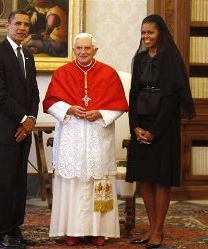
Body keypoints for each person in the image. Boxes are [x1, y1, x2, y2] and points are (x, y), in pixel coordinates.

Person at [43, 32, 129, 246]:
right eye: (79, 48)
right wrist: (69, 108)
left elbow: (119, 104)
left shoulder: (108, 73)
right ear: (74, 50)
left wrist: (101, 113)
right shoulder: (62, 72)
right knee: (71, 181)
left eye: (87, 48)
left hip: (98, 136)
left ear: (95, 50)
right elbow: (50, 102)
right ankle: (71, 230)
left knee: (98, 181)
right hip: (71, 136)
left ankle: (98, 230)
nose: (83, 52)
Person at [126, 14, 195, 249]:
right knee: (145, 177)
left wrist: (154, 132)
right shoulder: (140, 59)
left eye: (150, 32)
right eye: (143, 32)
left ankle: (158, 231)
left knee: (161, 179)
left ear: (160, 34)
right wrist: (135, 126)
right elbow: (133, 96)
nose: (146, 37)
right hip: (141, 124)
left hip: (163, 127)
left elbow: (171, 101)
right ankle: (151, 227)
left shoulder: (171, 59)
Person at [0, 9, 40, 249]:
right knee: (3, 184)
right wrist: (23, 117)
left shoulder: (28, 55)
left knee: (19, 184)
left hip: (24, 130)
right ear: (7, 25)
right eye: (17, 23)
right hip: (4, 130)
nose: (22, 28)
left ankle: (15, 231)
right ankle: (0, 235)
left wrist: (31, 120)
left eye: (26, 25)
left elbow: (34, 92)